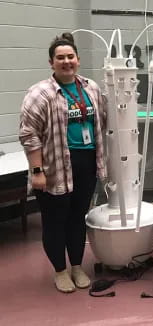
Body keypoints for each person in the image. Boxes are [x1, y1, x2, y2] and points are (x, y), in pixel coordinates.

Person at [19, 33, 106, 293]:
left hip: (86, 162)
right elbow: (28, 134)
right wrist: (37, 171)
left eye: (70, 56)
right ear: (51, 62)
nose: (66, 61)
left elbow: (102, 119)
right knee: (55, 220)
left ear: (78, 60)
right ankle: (60, 270)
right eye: (60, 58)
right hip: (54, 165)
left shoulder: (91, 88)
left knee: (77, 217)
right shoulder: (40, 93)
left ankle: (77, 266)